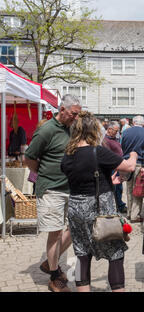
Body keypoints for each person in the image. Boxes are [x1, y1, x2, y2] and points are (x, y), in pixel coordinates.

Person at [61, 111, 137, 292]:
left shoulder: (68, 155)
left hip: (76, 209)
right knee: (115, 253)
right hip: (100, 210)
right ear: (94, 130)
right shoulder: (98, 152)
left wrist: (105, 181)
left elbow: (81, 179)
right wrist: (133, 154)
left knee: (81, 255)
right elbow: (129, 167)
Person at [24, 94, 82, 292]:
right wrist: (45, 172)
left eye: (78, 114)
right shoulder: (46, 130)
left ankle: (51, 263)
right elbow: (29, 158)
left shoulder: (72, 128)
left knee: (75, 229)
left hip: (70, 188)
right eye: (73, 114)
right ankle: (55, 276)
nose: (76, 117)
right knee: (55, 233)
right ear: (62, 110)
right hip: (51, 190)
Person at [121, 115, 144, 223]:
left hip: (126, 162)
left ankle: (130, 213)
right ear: (142, 124)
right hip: (138, 163)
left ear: (133, 123)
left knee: (129, 189)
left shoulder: (125, 132)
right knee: (137, 189)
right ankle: (135, 215)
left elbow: (122, 147)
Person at [102, 121, 127, 213]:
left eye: (117, 131)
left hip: (118, 167)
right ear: (109, 129)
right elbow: (108, 155)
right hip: (113, 168)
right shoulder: (105, 140)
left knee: (119, 188)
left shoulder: (114, 139)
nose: (117, 133)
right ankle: (116, 207)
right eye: (115, 131)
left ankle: (119, 205)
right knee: (114, 188)